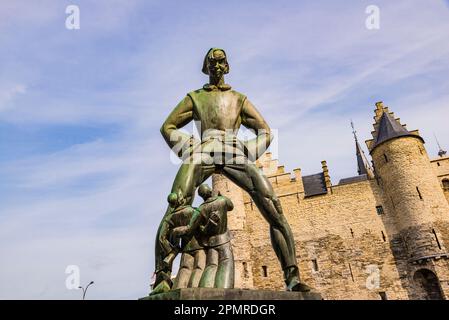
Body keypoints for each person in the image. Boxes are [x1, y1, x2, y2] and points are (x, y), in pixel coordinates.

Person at [154, 48, 310, 293]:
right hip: (204, 150)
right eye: (212, 63)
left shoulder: (239, 99)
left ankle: (292, 277)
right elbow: (168, 126)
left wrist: (247, 150)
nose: (217, 66)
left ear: (227, 66)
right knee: (175, 205)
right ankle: (162, 278)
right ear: (206, 67)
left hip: (233, 152)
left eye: (221, 62)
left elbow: (265, 132)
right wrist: (190, 147)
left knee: (273, 206)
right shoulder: (195, 97)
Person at [172, 184, 234, 288]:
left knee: (211, 266)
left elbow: (189, 228)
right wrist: (220, 195)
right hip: (223, 239)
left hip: (210, 242)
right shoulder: (222, 200)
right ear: (210, 191)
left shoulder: (200, 209)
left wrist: (175, 231)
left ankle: (206, 288)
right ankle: (225, 288)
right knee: (226, 262)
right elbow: (231, 206)